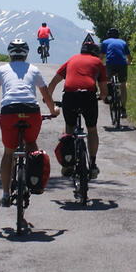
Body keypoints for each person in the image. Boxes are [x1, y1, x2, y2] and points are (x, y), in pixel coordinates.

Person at [0, 39, 59, 206]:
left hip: (9, 113)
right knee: (31, 144)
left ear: (9, 53)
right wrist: (53, 110)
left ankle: (5, 195)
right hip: (31, 112)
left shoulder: (1, 70)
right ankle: (33, 180)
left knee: (8, 153)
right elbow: (46, 94)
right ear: (26, 54)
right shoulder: (34, 69)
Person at [46, 38, 109, 178]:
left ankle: (68, 162)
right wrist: (103, 97)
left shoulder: (72, 60)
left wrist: (48, 99)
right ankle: (92, 164)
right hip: (88, 97)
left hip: (70, 96)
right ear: (95, 53)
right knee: (91, 129)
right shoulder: (98, 63)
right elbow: (104, 89)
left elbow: (53, 82)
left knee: (69, 127)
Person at [100, 27, 132, 117]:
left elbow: (101, 57)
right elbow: (129, 57)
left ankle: (109, 96)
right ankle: (123, 109)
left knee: (106, 81)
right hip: (122, 64)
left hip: (110, 64)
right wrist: (128, 63)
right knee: (122, 85)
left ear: (108, 36)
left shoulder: (105, 42)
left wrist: (99, 66)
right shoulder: (123, 42)